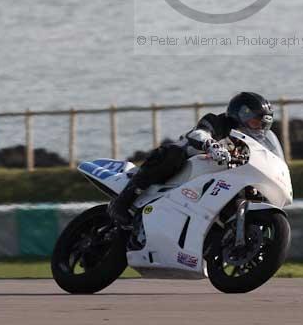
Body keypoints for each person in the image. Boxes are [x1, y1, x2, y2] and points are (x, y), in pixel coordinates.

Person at [108, 91, 274, 227]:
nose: (259, 128)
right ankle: (122, 202)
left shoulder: (252, 144)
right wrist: (211, 145)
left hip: (216, 182)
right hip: (185, 165)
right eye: (255, 122)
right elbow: (198, 133)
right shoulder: (218, 122)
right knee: (173, 154)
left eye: (262, 125)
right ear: (241, 114)